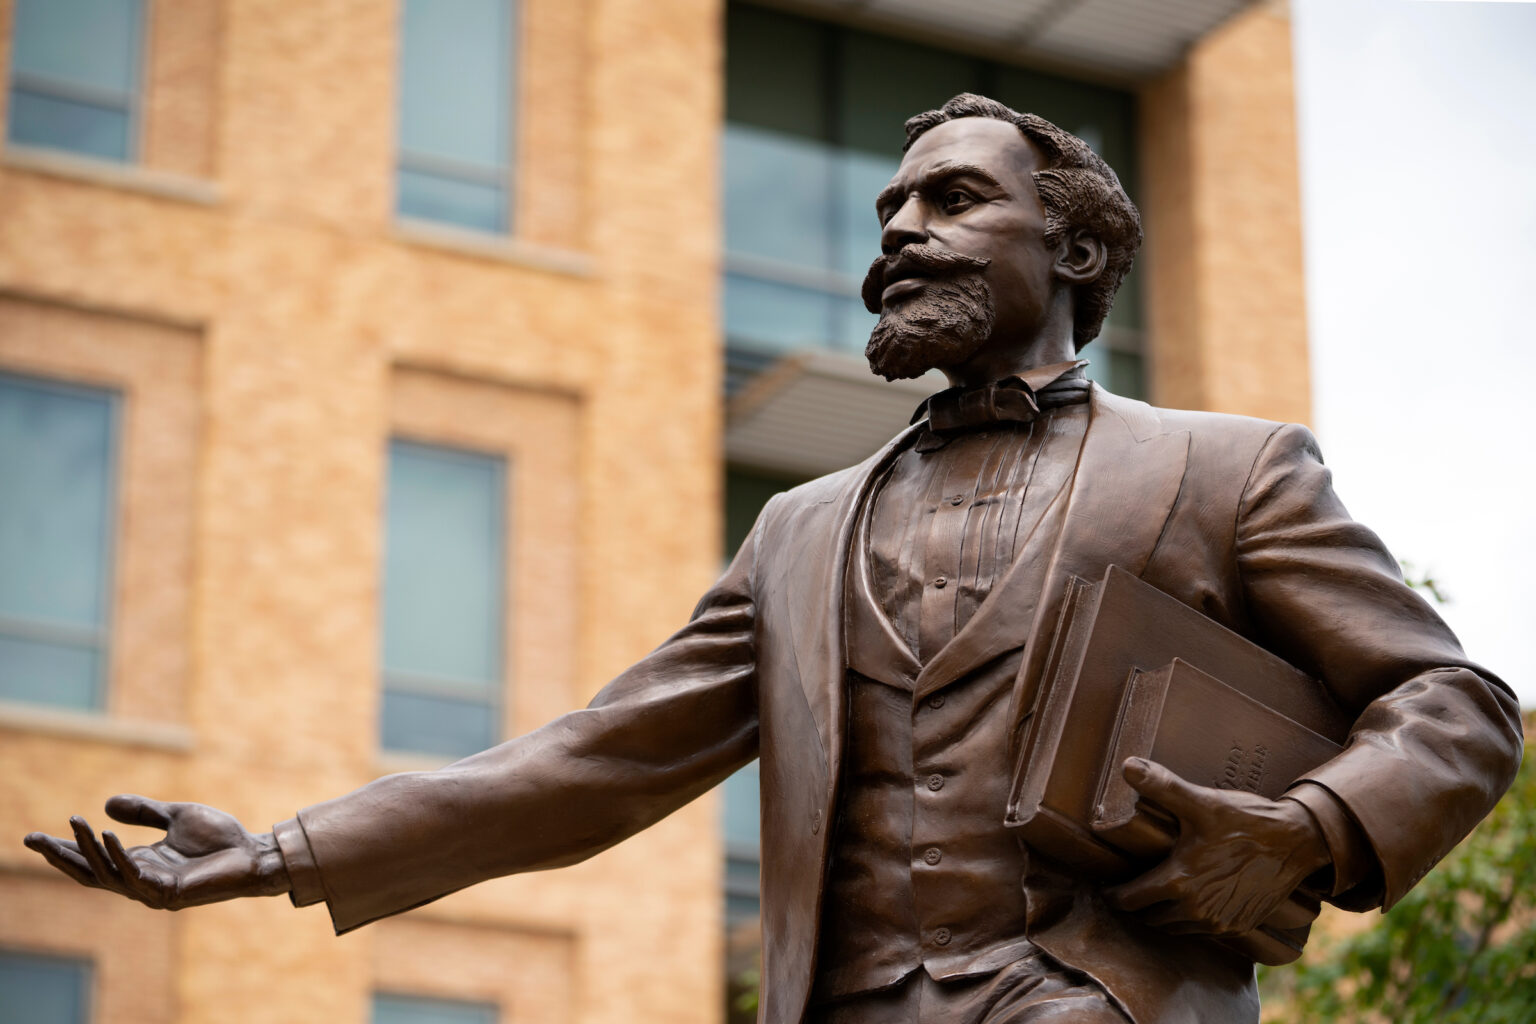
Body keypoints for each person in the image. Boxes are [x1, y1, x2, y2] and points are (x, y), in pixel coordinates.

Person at [26, 95, 1522, 1024]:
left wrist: (1310, 829)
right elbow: (592, 763)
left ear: (1074, 254)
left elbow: (1452, 705)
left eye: (952, 201)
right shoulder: (799, 531)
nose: (900, 234)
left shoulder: (1224, 467)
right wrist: (281, 855)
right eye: (888, 212)